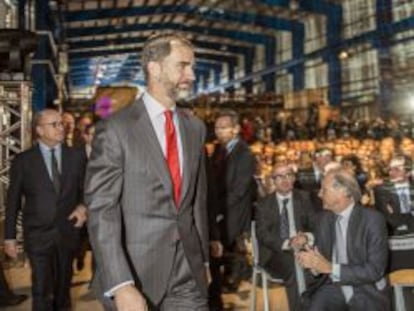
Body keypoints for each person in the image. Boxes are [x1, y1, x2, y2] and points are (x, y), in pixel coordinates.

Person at [84, 33, 209, 311]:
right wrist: (120, 284)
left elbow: (197, 201)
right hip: (137, 275)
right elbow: (102, 209)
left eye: (192, 67)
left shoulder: (195, 128)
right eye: (182, 65)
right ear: (154, 67)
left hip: (188, 273)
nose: (190, 74)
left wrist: (204, 260)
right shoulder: (116, 128)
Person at [4, 109, 87, 310]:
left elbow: (88, 188)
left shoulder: (76, 156)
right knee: (41, 290)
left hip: (67, 233)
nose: (61, 128)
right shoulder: (23, 161)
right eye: (55, 124)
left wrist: (83, 206)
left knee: (62, 290)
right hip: (38, 235)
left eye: (62, 124)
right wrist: (10, 238)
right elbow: (13, 201)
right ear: (39, 130)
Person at [297, 168, 391, 311]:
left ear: (344, 191)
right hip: (334, 287)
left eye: (324, 189)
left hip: (366, 288)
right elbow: (321, 262)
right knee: (313, 305)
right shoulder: (324, 219)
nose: (319, 194)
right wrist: (313, 265)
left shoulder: (372, 220)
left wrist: (330, 268)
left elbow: (374, 270)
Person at [256, 162, 316, 311]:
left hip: (304, 248)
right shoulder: (264, 204)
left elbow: (316, 225)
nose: (285, 180)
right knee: (294, 265)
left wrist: (306, 237)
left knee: (315, 264)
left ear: (294, 178)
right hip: (275, 253)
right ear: (273, 181)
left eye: (289, 175)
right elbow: (262, 235)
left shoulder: (305, 198)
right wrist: (288, 244)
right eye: (279, 176)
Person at [208, 109, 256, 292]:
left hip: (234, 211)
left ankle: (233, 281)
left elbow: (239, 190)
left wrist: (218, 209)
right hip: (220, 210)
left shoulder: (244, 153)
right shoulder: (218, 150)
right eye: (217, 128)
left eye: (223, 127)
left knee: (234, 252)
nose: (219, 131)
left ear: (235, 129)